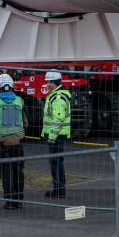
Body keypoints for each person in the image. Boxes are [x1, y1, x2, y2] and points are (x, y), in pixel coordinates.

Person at [0, 73, 27, 209]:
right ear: (12, 86)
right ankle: (19, 199)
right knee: (18, 171)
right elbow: (25, 121)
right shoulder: (19, 101)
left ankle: (9, 200)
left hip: (2, 144)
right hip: (17, 143)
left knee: (6, 172)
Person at [42, 70, 71, 199]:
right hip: (57, 136)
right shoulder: (56, 95)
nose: (47, 84)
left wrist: (52, 137)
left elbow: (58, 119)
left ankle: (59, 190)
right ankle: (58, 189)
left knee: (56, 163)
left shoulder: (58, 97)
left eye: (50, 82)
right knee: (56, 162)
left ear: (57, 82)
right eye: (47, 81)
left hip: (56, 137)